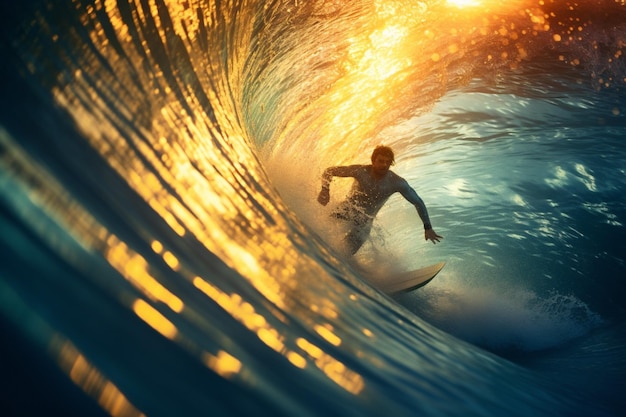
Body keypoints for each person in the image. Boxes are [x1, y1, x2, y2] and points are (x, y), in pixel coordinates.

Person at [317, 145, 443, 254]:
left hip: (364, 223)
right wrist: (325, 189)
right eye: (381, 161)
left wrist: (427, 227)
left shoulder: (397, 182)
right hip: (347, 210)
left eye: (388, 162)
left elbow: (418, 202)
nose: (384, 165)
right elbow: (329, 171)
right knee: (320, 232)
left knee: (343, 254)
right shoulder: (360, 171)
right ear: (373, 160)